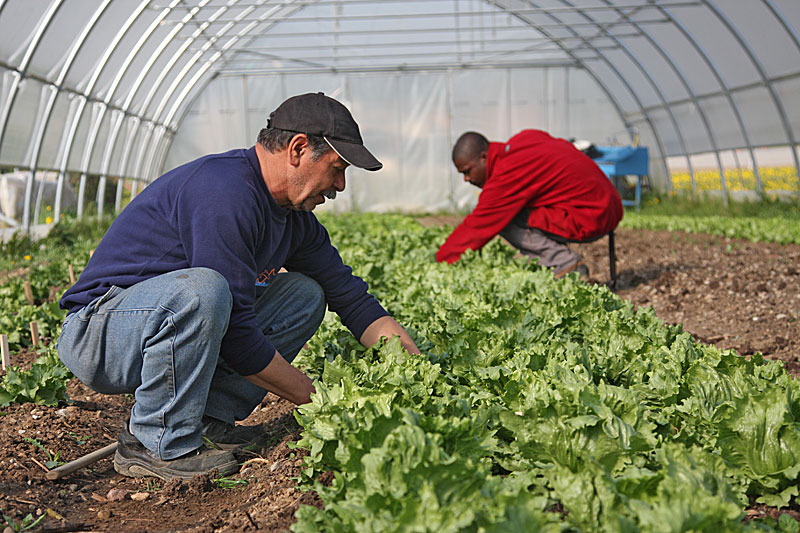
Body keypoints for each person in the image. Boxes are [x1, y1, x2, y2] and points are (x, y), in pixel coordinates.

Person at [57, 92, 420, 481]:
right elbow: (238, 338)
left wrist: (415, 371)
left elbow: (353, 302)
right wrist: (323, 402)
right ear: (298, 149)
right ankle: (154, 442)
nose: (341, 185)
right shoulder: (224, 192)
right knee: (204, 291)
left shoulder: (294, 220)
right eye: (337, 168)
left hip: (160, 325)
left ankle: (209, 419)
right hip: (100, 332)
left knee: (305, 295)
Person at [436, 130, 623, 277]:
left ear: (484, 157)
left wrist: (439, 262)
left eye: (467, 171)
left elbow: (476, 228)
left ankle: (565, 264)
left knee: (507, 218)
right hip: (608, 204)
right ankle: (557, 262)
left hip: (593, 216)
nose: (467, 179)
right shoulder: (524, 140)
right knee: (514, 209)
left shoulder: (507, 173)